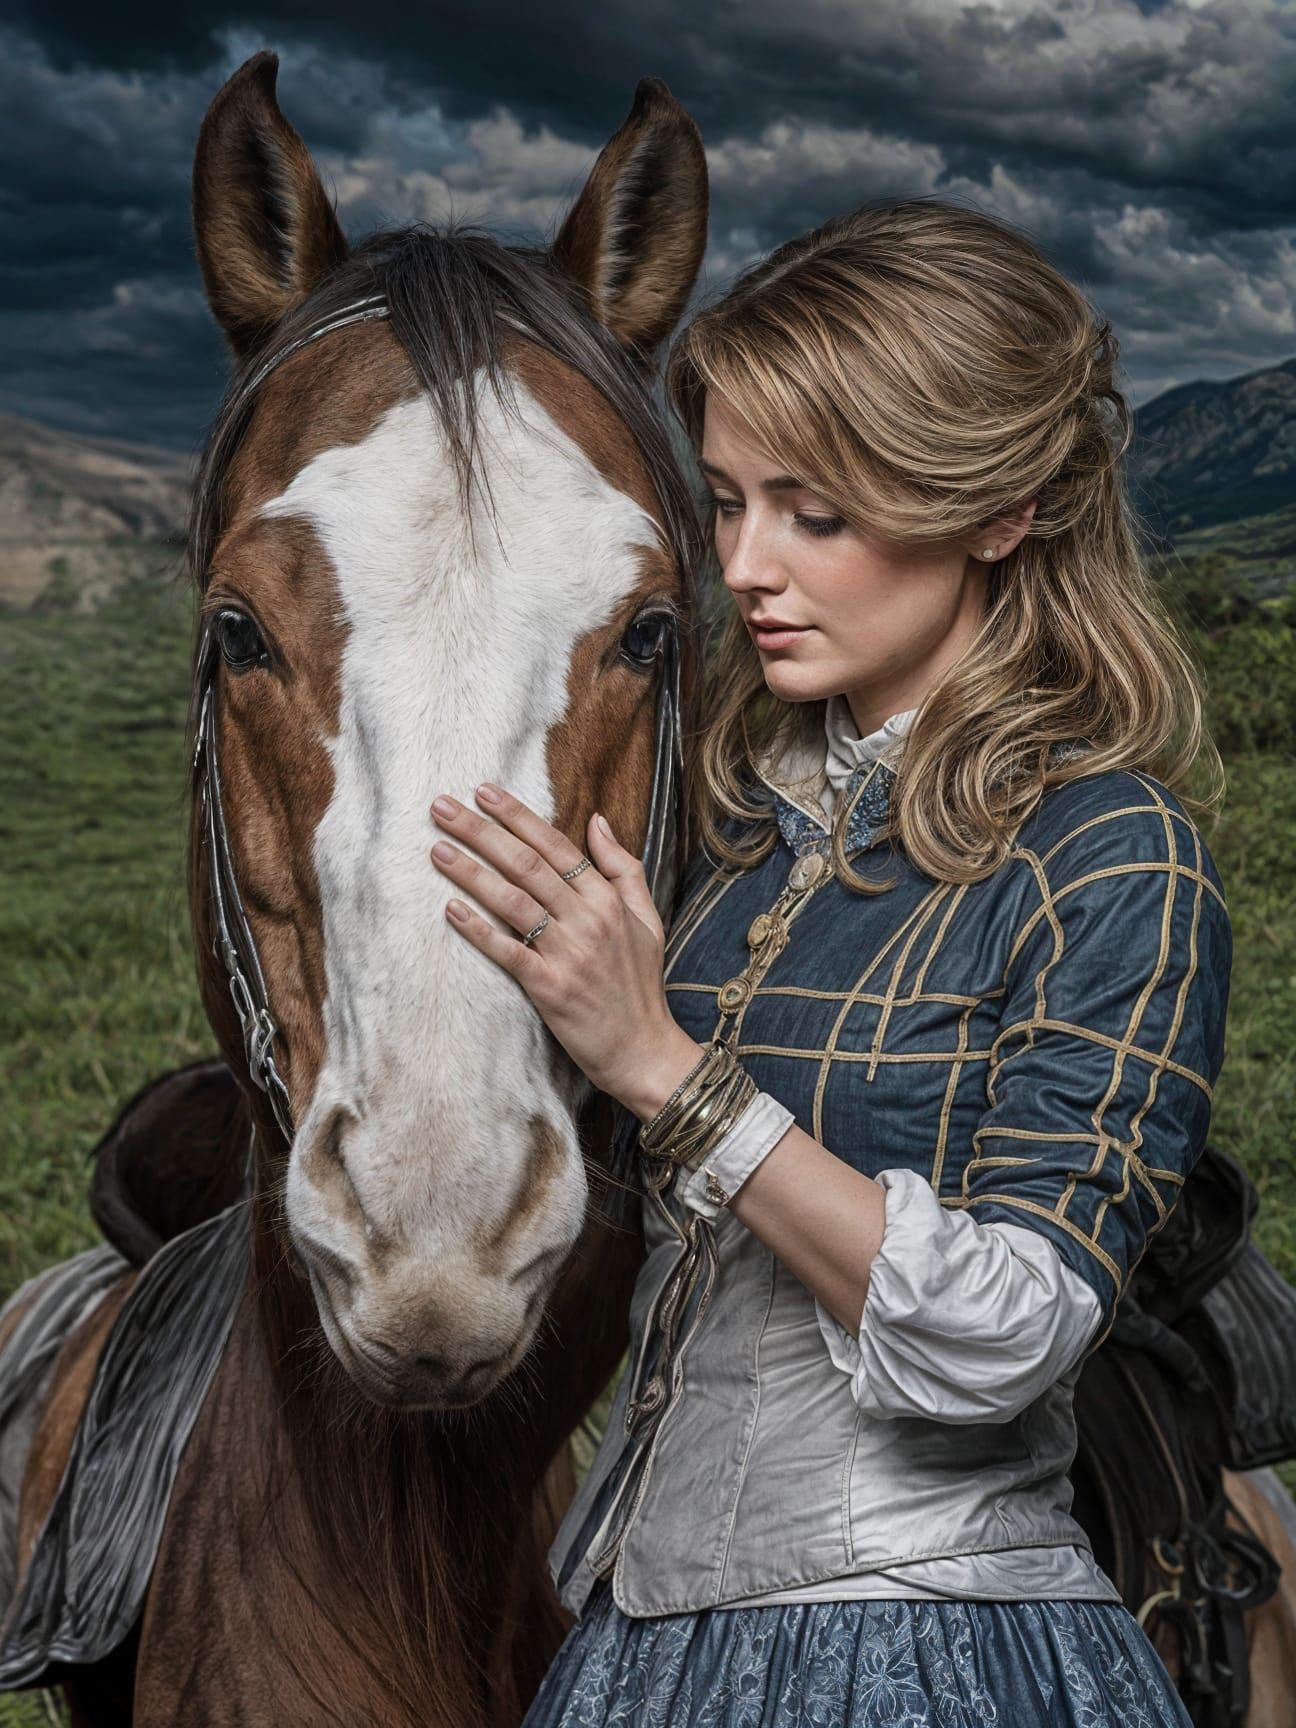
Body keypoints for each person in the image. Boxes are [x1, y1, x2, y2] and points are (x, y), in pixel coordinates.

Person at [430, 198, 1230, 1724]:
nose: (744, 565)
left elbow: (1007, 1331)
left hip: (930, 1651)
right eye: (725, 502)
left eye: (817, 511)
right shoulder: (733, 842)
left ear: (999, 510)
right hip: (634, 1641)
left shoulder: (1109, 854)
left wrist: (661, 1063)